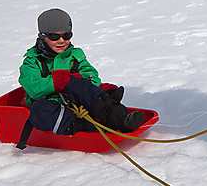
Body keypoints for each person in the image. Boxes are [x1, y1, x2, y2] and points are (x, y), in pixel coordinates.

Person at [19, 8, 144, 136]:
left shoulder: (75, 56)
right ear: (43, 37)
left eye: (66, 35)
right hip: (55, 109)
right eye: (54, 36)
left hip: (79, 105)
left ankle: (120, 118)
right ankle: (87, 126)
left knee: (78, 85)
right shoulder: (32, 61)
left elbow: (92, 76)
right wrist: (55, 82)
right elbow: (33, 87)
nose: (61, 40)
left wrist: (96, 88)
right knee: (40, 110)